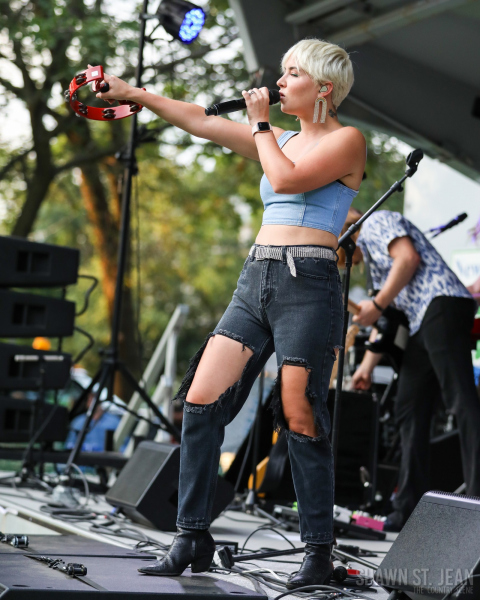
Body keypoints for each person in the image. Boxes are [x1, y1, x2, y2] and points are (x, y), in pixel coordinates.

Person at [96, 39, 366, 586]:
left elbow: (288, 179)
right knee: (200, 401)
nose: (280, 81)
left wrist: (261, 125)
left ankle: (318, 555)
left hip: (308, 282)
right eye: (282, 72)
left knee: (299, 412)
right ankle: (191, 535)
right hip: (257, 277)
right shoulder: (281, 139)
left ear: (324, 88)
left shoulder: (347, 140)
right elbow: (199, 122)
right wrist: (132, 94)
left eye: (293, 74)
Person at [351, 209, 480, 530]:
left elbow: (408, 259)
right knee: (409, 409)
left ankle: (476, 503)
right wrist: (366, 367)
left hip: (442, 303)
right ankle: (406, 508)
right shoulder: (372, 259)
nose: (343, 262)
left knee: (462, 401)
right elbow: (389, 323)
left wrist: (377, 304)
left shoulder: (374, 223)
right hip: (422, 321)